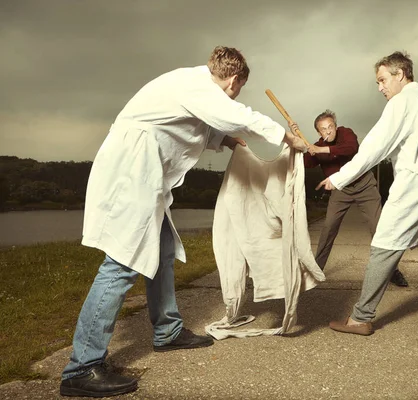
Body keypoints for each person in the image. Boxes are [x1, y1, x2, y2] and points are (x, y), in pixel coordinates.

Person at [59, 46, 307, 398]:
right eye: (237, 89)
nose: (234, 94)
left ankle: (167, 332)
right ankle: (81, 368)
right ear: (234, 81)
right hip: (132, 175)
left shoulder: (190, 85)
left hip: (145, 177)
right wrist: (286, 136)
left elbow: (195, 127)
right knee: (121, 264)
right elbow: (237, 114)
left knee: (160, 252)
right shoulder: (199, 87)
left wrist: (225, 141)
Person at [318, 51, 418, 336]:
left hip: (413, 183)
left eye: (382, 80)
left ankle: (360, 319)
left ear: (400, 74)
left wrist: (339, 178)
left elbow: (375, 148)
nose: (380, 88)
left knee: (383, 247)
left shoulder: (401, 102)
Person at [293, 110, 408, 286]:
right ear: (319, 133)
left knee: (379, 228)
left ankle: (392, 271)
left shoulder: (346, 133)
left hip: (365, 185)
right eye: (324, 129)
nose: (329, 131)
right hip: (341, 191)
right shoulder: (316, 145)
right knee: (329, 228)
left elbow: (350, 148)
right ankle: (316, 270)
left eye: (331, 127)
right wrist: (298, 142)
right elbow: (307, 162)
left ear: (336, 126)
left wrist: (321, 149)